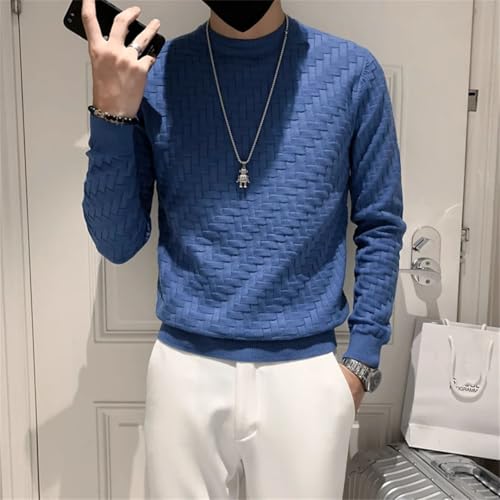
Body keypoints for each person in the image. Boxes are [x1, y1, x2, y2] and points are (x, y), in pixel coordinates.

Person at [81, 0, 407, 497]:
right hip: (185, 370)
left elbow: (380, 223)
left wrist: (362, 360)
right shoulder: (157, 73)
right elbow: (117, 241)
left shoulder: (352, 72)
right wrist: (111, 113)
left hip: (306, 373)